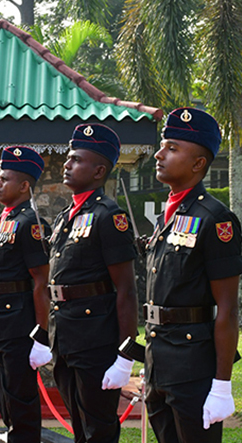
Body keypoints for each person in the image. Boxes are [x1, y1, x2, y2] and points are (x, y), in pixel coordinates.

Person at [144, 107, 242, 443]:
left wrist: (222, 385)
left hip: (192, 367)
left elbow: (228, 309)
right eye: (162, 146)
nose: (159, 155)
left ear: (198, 163)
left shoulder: (215, 218)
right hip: (158, 360)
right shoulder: (167, 218)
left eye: (172, 148)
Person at [48, 123, 138, 443]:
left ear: (99, 171)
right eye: (68, 158)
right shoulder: (64, 217)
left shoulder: (109, 215)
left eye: (76, 160)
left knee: (98, 427)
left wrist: (125, 354)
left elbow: (126, 289)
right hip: (64, 335)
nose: (67, 164)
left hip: (95, 338)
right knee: (78, 423)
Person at [0, 146, 52, 442]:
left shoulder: (30, 222)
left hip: (18, 324)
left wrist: (41, 335)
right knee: (5, 396)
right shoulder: (1, 221)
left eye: (4, 179)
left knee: (20, 400)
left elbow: (41, 280)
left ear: (23, 186)